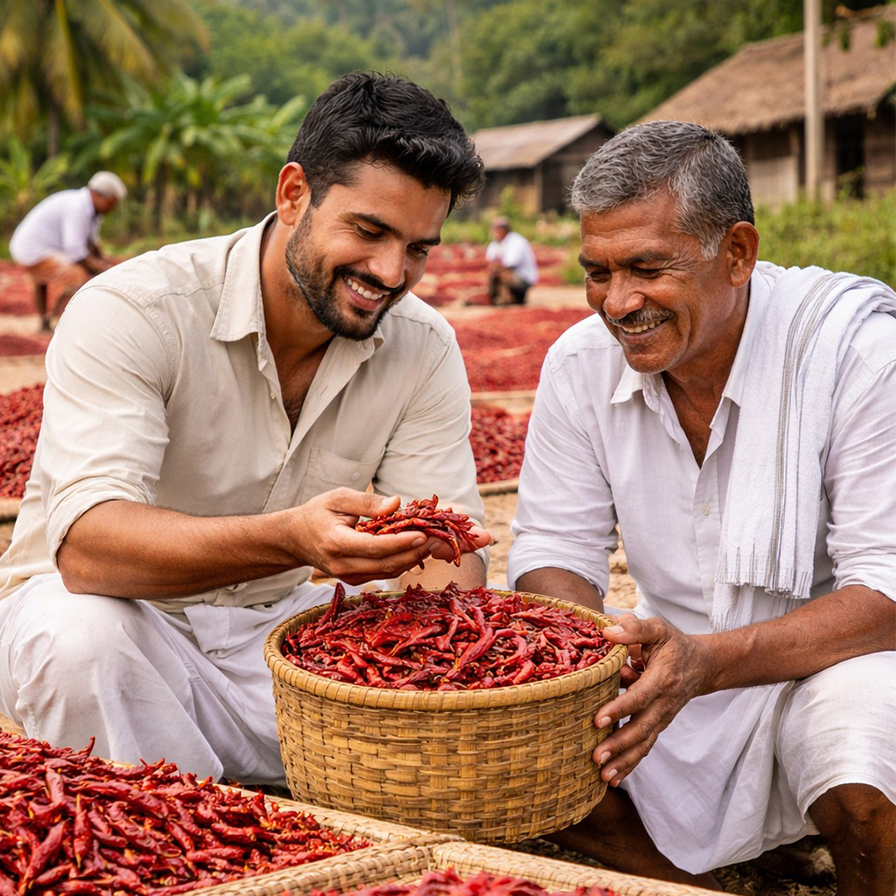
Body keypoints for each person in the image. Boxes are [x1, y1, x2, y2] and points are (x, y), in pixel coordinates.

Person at [0, 72, 492, 787]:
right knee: (83, 645)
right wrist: (290, 538)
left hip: (281, 632)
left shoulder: (423, 346)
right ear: (294, 195)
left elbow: (453, 554)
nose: (391, 272)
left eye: (419, 248)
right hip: (124, 619)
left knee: (433, 694)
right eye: (369, 231)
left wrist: (443, 630)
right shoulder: (137, 310)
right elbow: (89, 551)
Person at [506, 120, 895, 895]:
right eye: (597, 272)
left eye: (648, 268)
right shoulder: (579, 366)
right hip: (664, 668)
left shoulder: (857, 355)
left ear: (738, 254)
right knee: (515, 755)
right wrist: (593, 650)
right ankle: (694, 886)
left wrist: (707, 663)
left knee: (860, 748)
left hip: (829, 663)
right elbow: (552, 547)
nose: (618, 304)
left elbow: (886, 596)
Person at [9, 171, 127, 332]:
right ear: (97, 195)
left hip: (42, 249)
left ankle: (47, 322)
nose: (112, 209)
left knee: (57, 275)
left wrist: (107, 263)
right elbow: (76, 253)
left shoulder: (93, 211)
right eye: (111, 203)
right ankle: (64, 325)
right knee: (77, 275)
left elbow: (93, 244)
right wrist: (103, 270)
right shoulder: (78, 208)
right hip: (30, 250)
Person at [484, 216, 538, 305]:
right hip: (512, 276)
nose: (493, 232)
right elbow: (489, 260)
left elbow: (510, 264)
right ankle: (495, 297)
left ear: (502, 230)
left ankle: (508, 298)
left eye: (495, 230)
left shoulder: (517, 241)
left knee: (504, 273)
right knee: (493, 271)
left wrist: (496, 266)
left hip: (524, 278)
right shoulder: (496, 243)